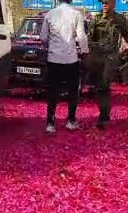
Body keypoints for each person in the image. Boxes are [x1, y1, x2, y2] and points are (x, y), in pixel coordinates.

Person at [40, 0, 89, 133]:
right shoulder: (76, 14)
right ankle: (71, 120)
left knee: (53, 91)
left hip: (53, 58)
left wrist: (50, 47)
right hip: (70, 59)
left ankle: (50, 123)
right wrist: (85, 52)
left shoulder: (50, 14)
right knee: (73, 91)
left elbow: (43, 37)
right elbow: (81, 37)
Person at [88, 0, 128, 130]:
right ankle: (104, 113)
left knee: (104, 85)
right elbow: (90, 38)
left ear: (113, 3)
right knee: (100, 88)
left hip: (110, 58)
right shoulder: (96, 18)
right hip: (97, 58)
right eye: (102, 3)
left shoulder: (120, 19)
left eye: (106, 2)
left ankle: (103, 116)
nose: (104, 5)